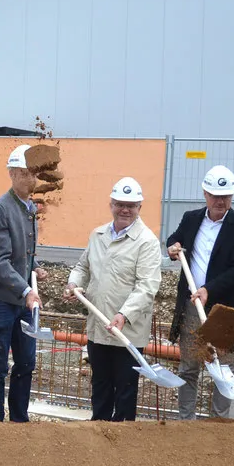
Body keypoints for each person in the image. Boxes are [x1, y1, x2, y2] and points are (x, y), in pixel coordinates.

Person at [63, 177, 162, 421]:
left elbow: (148, 286)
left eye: (131, 205)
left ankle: (122, 441)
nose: (125, 210)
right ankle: (98, 432)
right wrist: (74, 282)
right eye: (120, 204)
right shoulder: (98, 235)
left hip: (127, 332)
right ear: (111, 205)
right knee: (101, 386)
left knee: (126, 391)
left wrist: (124, 315)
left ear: (140, 207)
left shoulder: (147, 242)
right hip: (98, 326)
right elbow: (82, 267)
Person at [165, 165, 234, 419]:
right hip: (192, 307)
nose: (220, 201)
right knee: (188, 367)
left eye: (225, 196)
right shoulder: (191, 218)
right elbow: (175, 238)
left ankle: (218, 424)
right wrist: (172, 247)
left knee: (224, 368)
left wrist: (209, 289)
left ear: (233, 196)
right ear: (205, 193)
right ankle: (186, 421)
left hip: (225, 310)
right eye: (215, 195)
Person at [0, 144, 47, 422]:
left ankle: (19, 418)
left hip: (20, 298)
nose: (33, 179)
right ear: (14, 173)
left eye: (35, 174)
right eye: (27, 174)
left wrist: (35, 267)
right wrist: (26, 289)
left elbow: (22, 252)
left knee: (26, 361)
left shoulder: (29, 208)